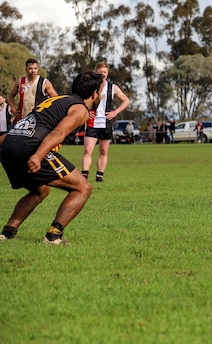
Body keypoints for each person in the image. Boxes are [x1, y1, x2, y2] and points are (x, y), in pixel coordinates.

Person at [0, 71, 102, 244]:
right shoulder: (80, 109)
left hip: (9, 146)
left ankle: (8, 233)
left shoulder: (57, 100)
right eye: (100, 92)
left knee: (41, 190)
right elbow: (59, 132)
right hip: (31, 149)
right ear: (94, 94)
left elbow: (26, 126)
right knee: (83, 187)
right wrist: (38, 156)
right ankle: (53, 237)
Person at [80, 62, 131, 183]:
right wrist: (86, 111)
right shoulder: (89, 86)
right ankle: (84, 176)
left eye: (104, 72)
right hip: (92, 123)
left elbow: (126, 100)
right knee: (88, 150)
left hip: (106, 123)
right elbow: (79, 99)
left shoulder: (113, 87)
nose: (102, 74)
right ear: (95, 72)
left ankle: (99, 176)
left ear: (107, 74)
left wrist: (116, 112)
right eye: (100, 72)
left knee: (103, 151)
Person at [9, 58, 58, 122]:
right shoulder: (20, 81)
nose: (33, 71)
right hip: (22, 118)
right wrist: (13, 108)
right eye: (30, 68)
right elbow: (11, 96)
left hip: (38, 119)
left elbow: (56, 99)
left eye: (35, 68)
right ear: (26, 69)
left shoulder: (44, 82)